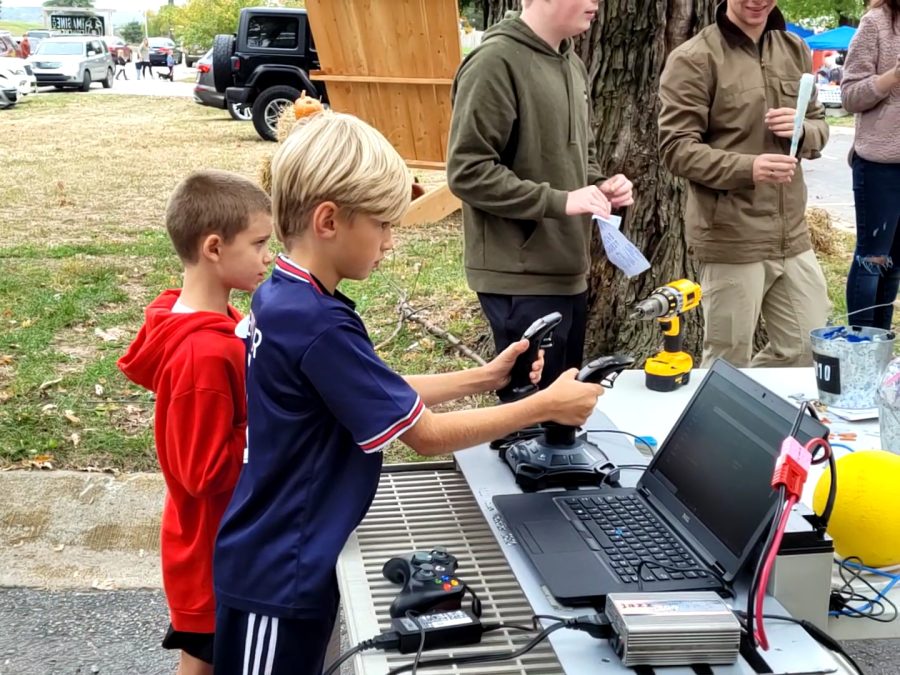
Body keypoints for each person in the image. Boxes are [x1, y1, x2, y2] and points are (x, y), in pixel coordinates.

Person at [212, 111, 603, 675]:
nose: (390, 243)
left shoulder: (288, 295)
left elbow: (375, 390)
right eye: (383, 225)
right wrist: (542, 406)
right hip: (279, 568)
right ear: (329, 220)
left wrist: (487, 378)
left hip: (285, 551)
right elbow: (423, 435)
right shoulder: (318, 322)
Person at [118, 170, 273, 675]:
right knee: (203, 663)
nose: (268, 257)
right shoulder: (202, 355)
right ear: (213, 247)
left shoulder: (215, 322)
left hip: (211, 544)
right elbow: (203, 472)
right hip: (209, 556)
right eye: (259, 244)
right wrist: (270, 422)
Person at [447, 0, 634, 398]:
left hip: (568, 270)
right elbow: (467, 171)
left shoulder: (572, 63)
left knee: (560, 407)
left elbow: (580, 156)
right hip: (519, 276)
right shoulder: (494, 63)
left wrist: (602, 186)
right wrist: (561, 201)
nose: (595, 3)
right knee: (526, 417)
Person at [658, 0, 831, 368]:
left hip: (793, 234)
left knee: (808, 350)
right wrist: (747, 168)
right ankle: (725, 415)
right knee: (727, 362)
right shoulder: (695, 57)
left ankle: (756, 411)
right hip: (731, 235)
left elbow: (819, 123)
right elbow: (676, 149)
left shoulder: (795, 48)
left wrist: (804, 131)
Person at [841, 0, 900, 330]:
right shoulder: (875, 23)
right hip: (880, 164)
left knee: (894, 266)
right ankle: (859, 345)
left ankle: (880, 343)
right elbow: (849, 95)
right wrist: (892, 76)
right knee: (873, 260)